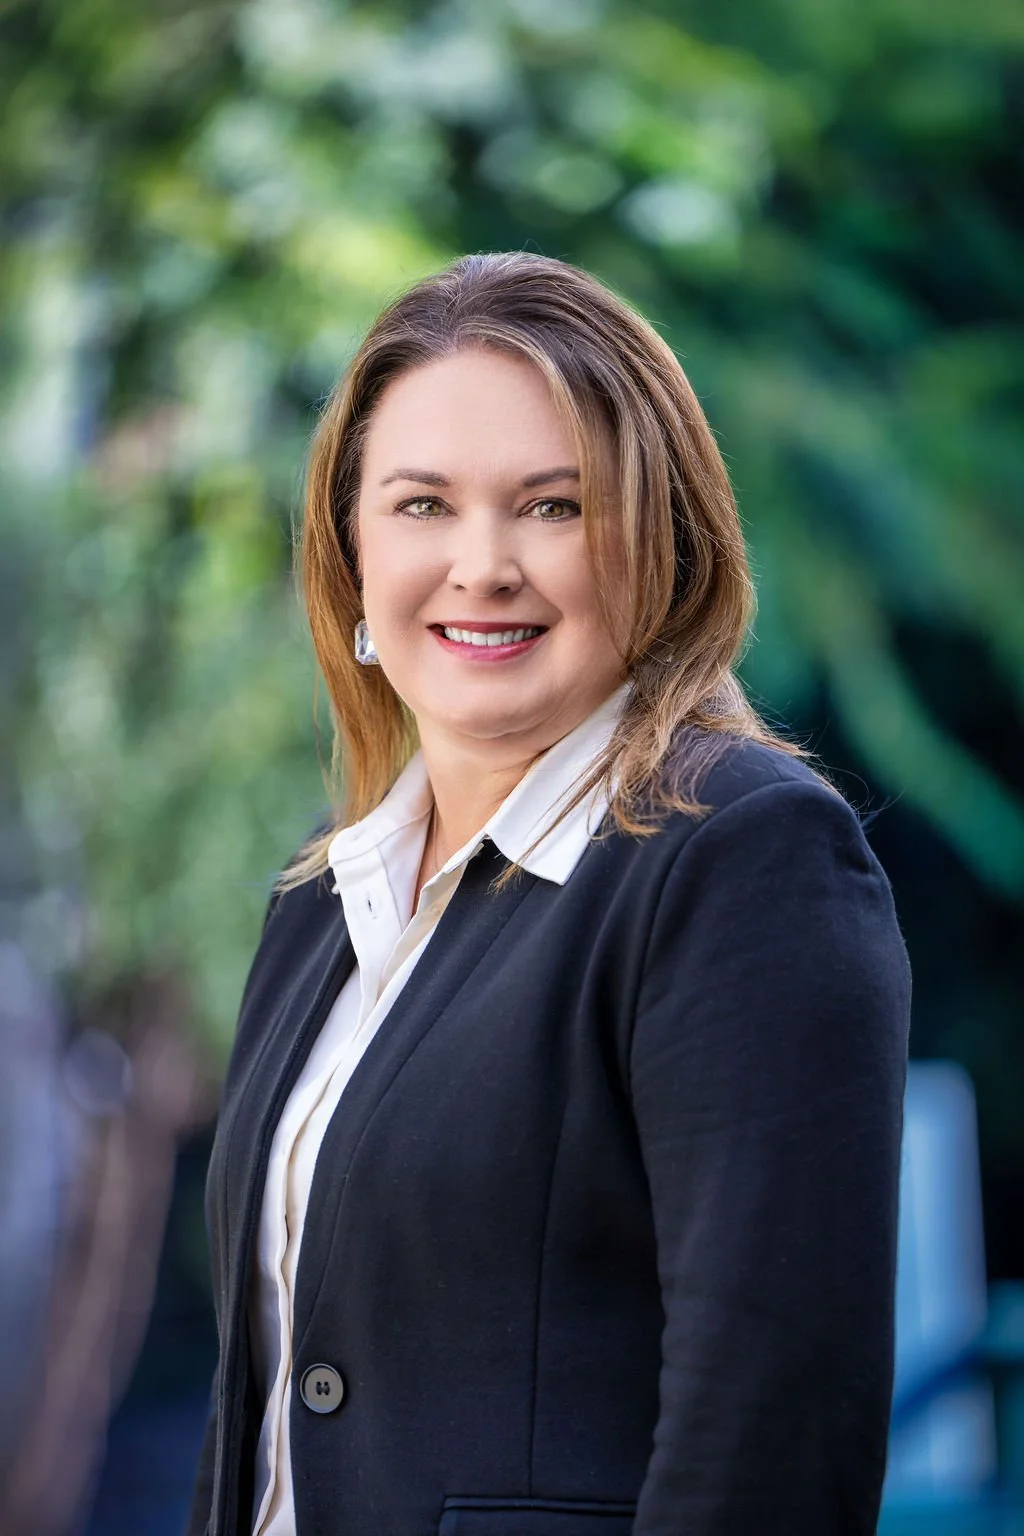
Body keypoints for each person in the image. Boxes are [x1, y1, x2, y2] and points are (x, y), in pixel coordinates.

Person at [186, 251, 911, 1536]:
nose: (482, 565)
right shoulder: (324, 897)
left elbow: (773, 1431)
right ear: (349, 549)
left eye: (553, 506)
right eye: (421, 506)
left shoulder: (743, 860)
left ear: (661, 542)